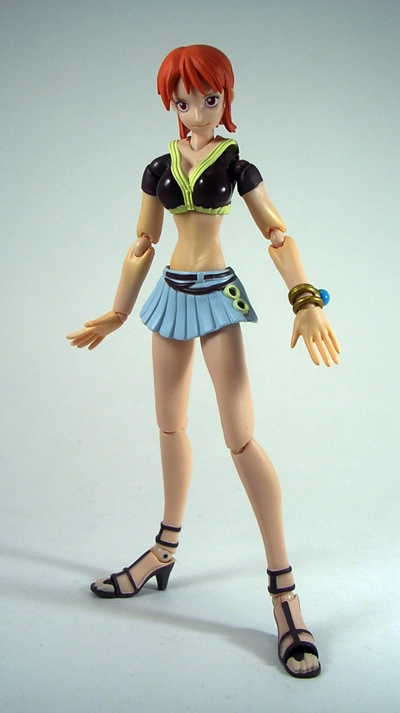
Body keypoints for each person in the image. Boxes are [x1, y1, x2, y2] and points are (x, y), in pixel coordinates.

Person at [67, 45, 340, 679]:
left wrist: (304, 298)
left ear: (225, 99)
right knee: (170, 425)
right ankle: (164, 549)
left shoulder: (237, 164)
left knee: (240, 439)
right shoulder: (157, 165)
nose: (196, 113)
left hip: (217, 295)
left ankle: (284, 592)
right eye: (184, 101)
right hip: (169, 294)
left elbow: (277, 233)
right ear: (172, 103)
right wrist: (117, 311)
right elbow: (143, 241)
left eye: (208, 100)